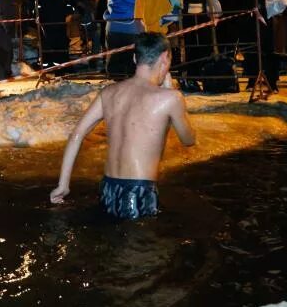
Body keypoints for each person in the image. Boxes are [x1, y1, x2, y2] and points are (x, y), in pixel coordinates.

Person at [50, 33, 196, 220]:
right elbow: (189, 140)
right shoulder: (170, 98)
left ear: (135, 58)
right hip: (139, 190)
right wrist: (171, 92)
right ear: (164, 58)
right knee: (143, 246)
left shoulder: (109, 93)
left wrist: (63, 184)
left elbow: (76, 134)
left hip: (108, 187)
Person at [104, 0, 148, 78]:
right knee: (133, 70)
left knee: (115, 68)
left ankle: (114, 97)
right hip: (133, 27)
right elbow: (147, 2)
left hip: (112, 27)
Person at [32, 0, 74, 67]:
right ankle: (47, 66)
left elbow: (71, 4)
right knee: (47, 43)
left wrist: (69, 14)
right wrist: (36, 16)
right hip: (46, 21)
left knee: (61, 42)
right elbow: (34, 5)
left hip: (61, 21)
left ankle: (62, 65)